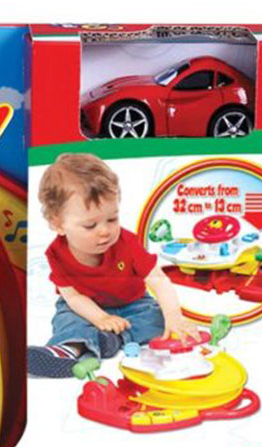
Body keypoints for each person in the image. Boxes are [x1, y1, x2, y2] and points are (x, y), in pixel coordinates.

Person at [27, 153, 200, 378]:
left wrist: (173, 316)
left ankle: (110, 339)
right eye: (90, 225)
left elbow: (158, 280)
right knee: (67, 319)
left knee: (155, 319)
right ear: (58, 224)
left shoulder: (127, 243)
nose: (105, 231)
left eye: (112, 219)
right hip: (85, 306)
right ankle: (68, 349)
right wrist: (100, 318)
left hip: (133, 304)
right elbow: (73, 297)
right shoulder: (56, 254)